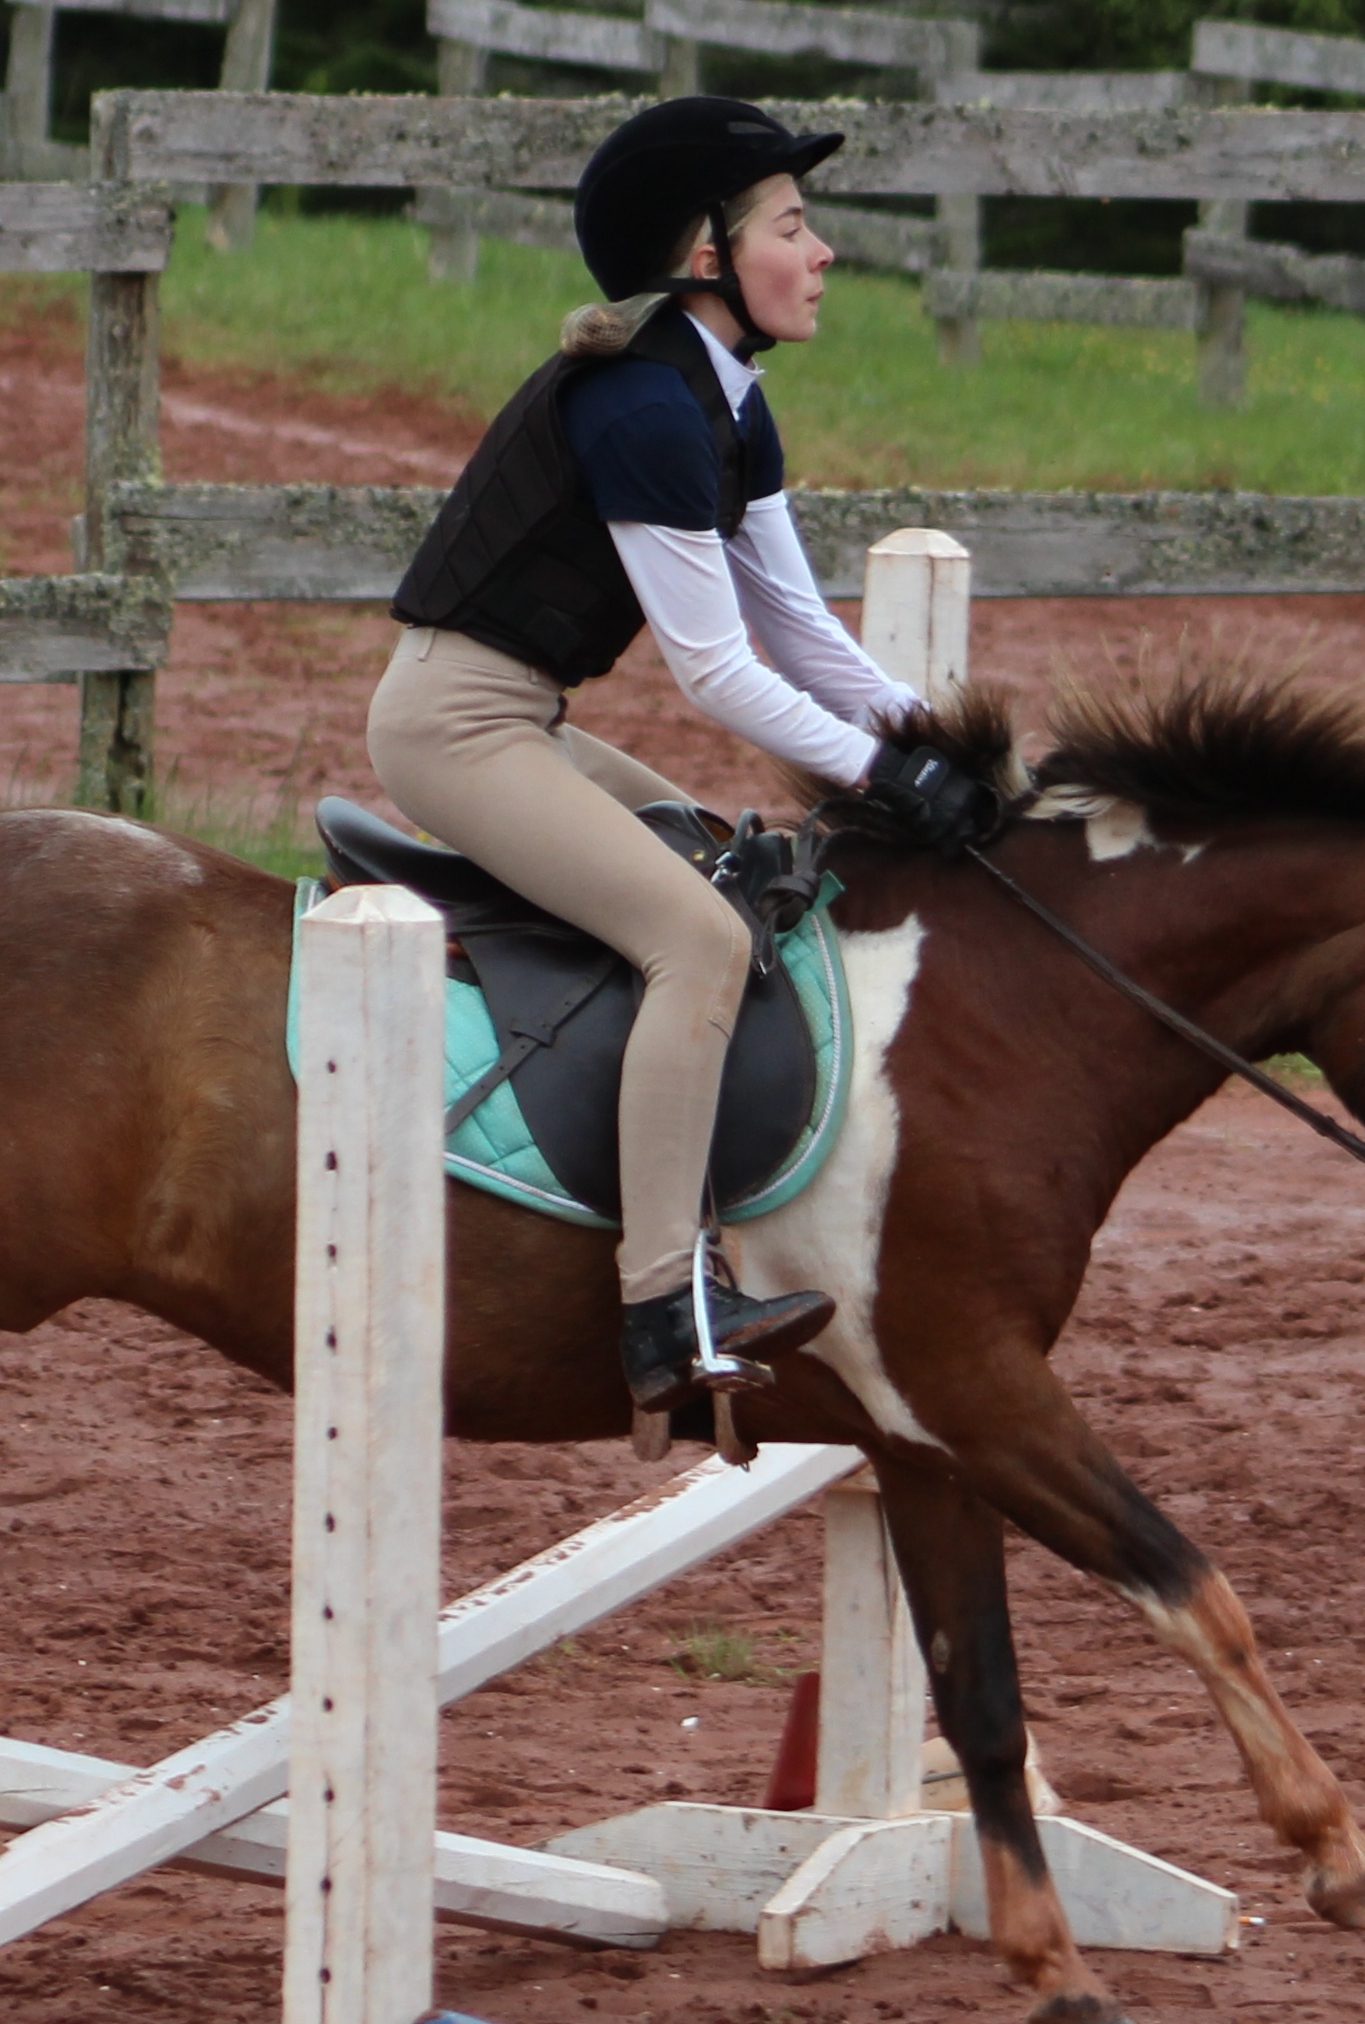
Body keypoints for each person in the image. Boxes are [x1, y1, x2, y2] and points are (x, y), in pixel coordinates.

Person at [370, 96, 993, 1416]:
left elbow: (801, 630)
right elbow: (715, 672)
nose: (821, 251)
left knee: (721, 865)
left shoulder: (726, 402)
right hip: (453, 728)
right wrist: (882, 778)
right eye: (792, 226)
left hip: (518, 718)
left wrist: (927, 737)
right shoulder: (646, 408)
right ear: (710, 256)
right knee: (700, 943)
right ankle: (663, 1308)